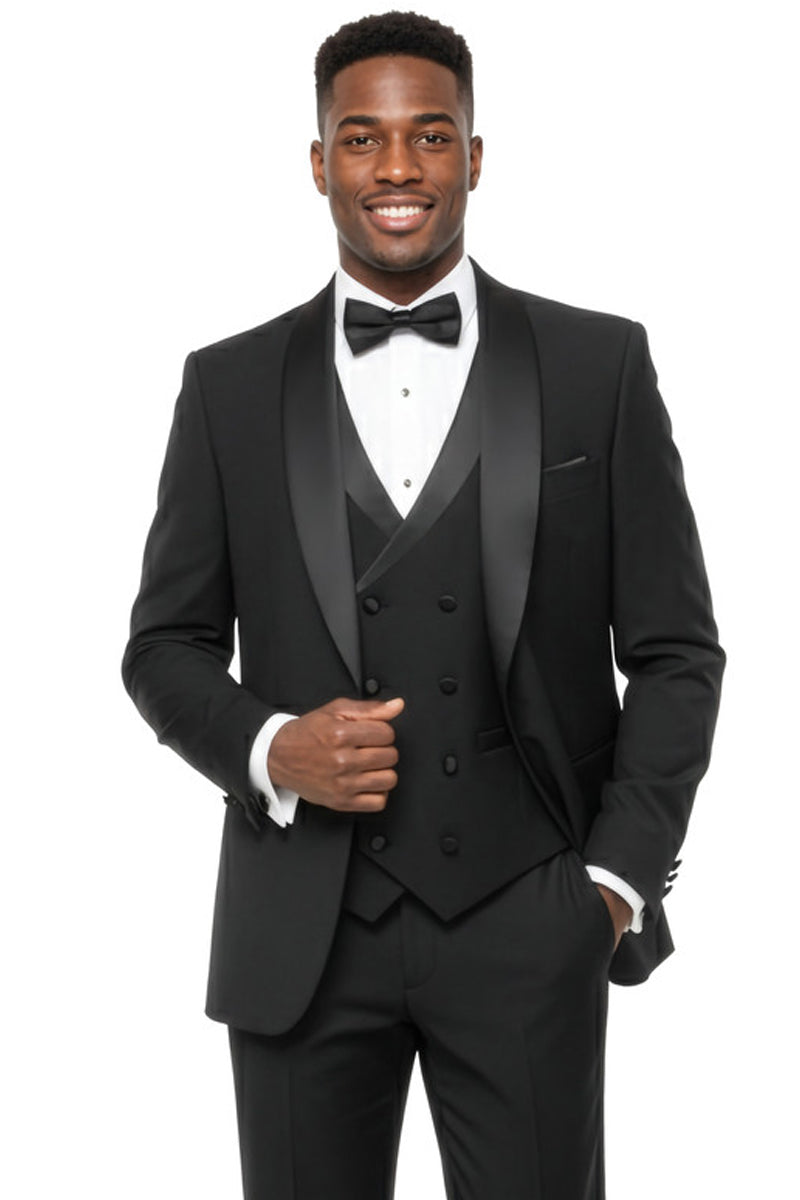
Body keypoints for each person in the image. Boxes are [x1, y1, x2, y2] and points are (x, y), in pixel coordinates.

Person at [122, 11, 724, 1198]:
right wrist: (271, 746)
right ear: (318, 163)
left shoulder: (598, 366)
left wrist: (611, 884)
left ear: (473, 156)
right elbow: (164, 645)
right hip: (301, 934)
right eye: (361, 138)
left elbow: (674, 651)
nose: (395, 167)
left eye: (429, 136)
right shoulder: (226, 386)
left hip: (528, 917)